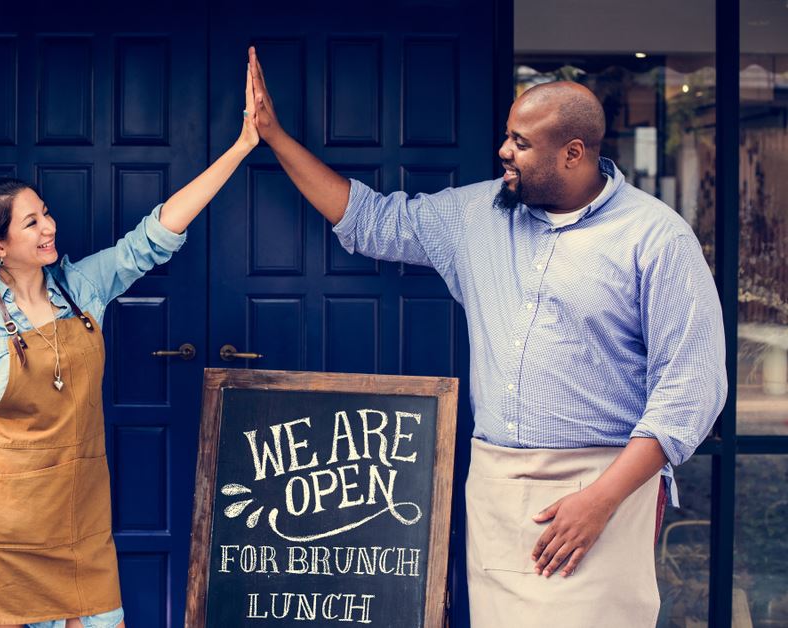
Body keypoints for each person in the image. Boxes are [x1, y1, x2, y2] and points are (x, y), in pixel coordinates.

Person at [246, 46, 727, 627]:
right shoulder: (478, 215)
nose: (503, 150)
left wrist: (602, 500)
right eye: (508, 135)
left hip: (603, 487)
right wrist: (273, 136)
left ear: (573, 153)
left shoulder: (656, 239)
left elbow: (690, 391)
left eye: (521, 142)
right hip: (497, 486)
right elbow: (370, 221)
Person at [0, 66, 259, 628]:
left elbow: (154, 237)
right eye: (31, 222)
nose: (48, 227)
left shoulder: (81, 289)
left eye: (46, 213)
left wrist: (242, 146)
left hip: (78, 523)